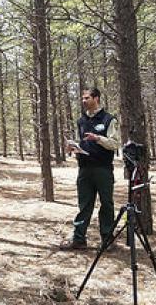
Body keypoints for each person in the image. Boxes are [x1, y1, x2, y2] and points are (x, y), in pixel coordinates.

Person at [60, 87, 120, 251]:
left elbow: (115, 144)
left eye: (87, 98)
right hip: (84, 169)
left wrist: (98, 138)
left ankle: (107, 240)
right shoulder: (82, 120)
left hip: (103, 169)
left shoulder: (109, 119)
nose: (84, 101)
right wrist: (75, 148)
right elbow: (84, 142)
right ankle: (79, 239)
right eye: (83, 98)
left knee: (106, 204)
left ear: (97, 98)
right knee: (84, 205)